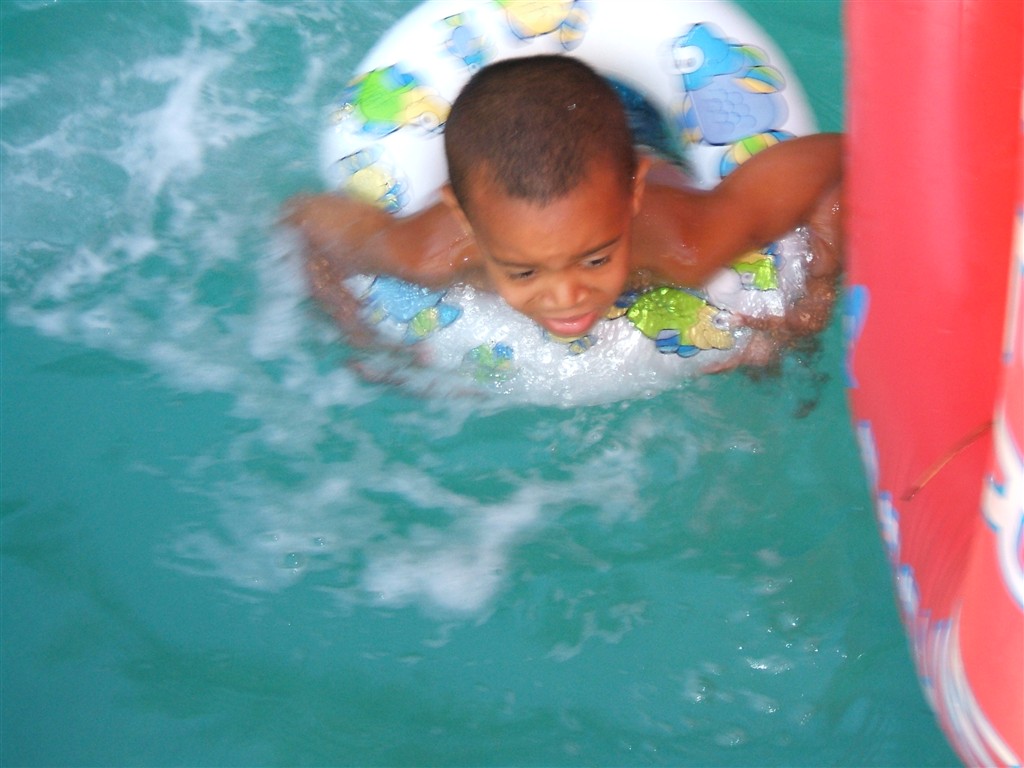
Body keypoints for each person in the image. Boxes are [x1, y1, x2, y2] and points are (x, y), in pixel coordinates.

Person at [285, 55, 842, 360]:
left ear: (636, 192)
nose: (566, 296)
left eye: (595, 259)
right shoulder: (426, 254)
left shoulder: (686, 244)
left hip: (630, 121)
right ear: (461, 216)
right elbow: (305, 219)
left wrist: (816, 292)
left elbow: (838, 162)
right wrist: (351, 323)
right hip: (514, 141)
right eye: (524, 272)